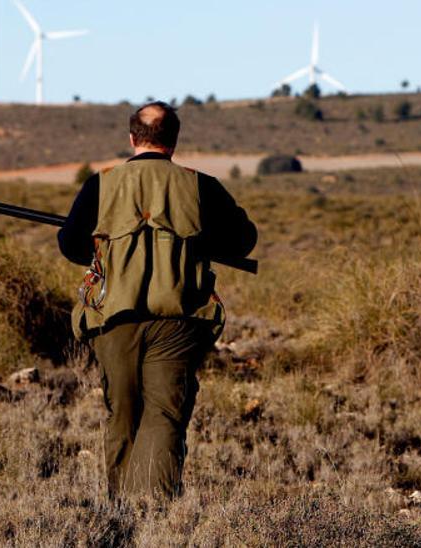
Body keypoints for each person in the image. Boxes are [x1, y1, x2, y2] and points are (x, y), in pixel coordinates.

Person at [57, 101, 258, 499]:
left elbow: (70, 244)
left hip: (114, 320)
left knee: (123, 415)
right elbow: (243, 239)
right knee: (164, 414)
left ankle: (122, 511)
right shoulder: (202, 186)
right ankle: (155, 513)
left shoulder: (101, 184)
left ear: (133, 138)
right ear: (174, 140)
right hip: (179, 320)